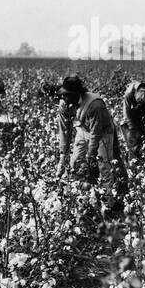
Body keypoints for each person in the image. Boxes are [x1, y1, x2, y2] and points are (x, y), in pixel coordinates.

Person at [57, 75, 125, 208]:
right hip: (83, 130)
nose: (63, 98)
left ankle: (108, 203)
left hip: (103, 134)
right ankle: (82, 197)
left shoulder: (95, 105)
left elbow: (96, 133)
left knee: (104, 167)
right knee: (75, 163)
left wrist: (91, 157)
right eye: (63, 95)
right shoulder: (64, 104)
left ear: (76, 94)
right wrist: (62, 156)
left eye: (66, 95)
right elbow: (64, 130)